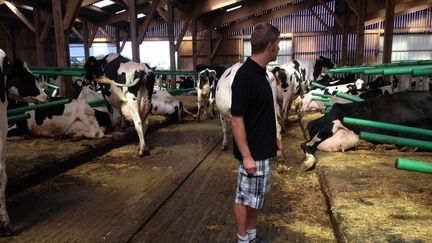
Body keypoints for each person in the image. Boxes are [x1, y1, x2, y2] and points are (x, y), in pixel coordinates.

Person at [231, 23, 282, 243]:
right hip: (252, 153)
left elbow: (261, 112)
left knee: (255, 198)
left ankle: (251, 235)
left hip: (263, 149)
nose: (279, 49)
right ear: (270, 46)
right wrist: (246, 155)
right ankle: (242, 240)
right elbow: (236, 118)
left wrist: (275, 138)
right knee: (244, 198)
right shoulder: (245, 76)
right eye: (278, 45)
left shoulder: (260, 73)